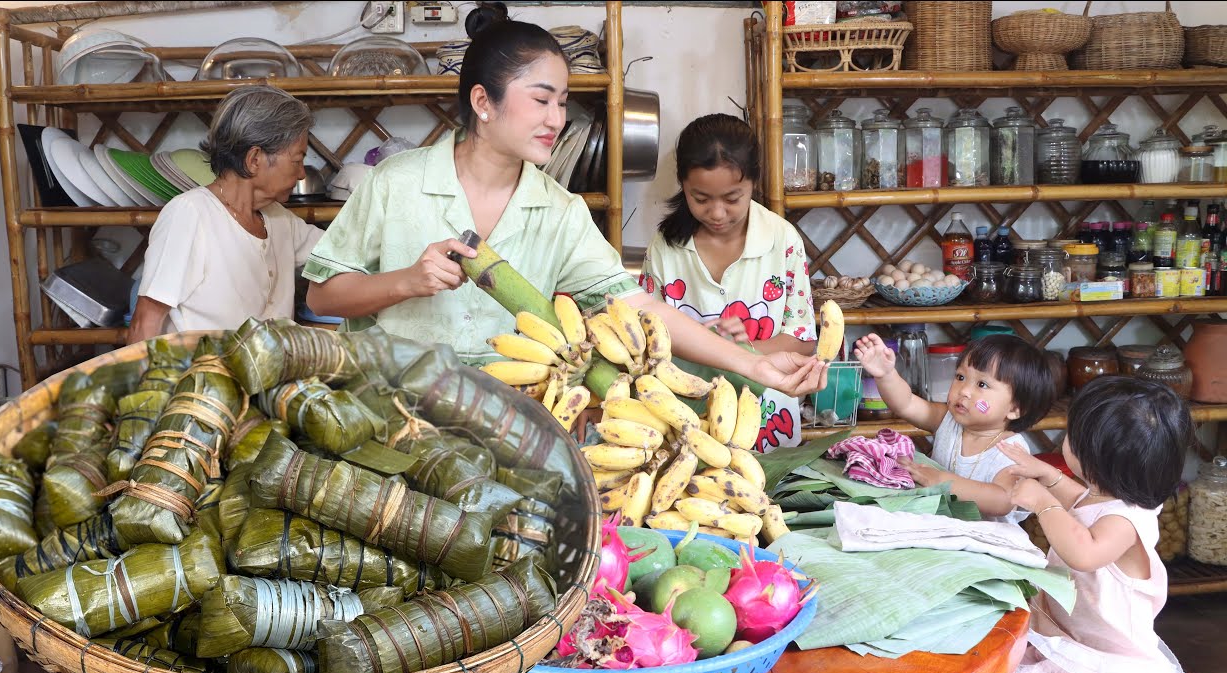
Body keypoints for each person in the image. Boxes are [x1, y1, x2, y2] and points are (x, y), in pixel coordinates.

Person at [305, 2, 828, 399]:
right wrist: (406, 282)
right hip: (390, 412)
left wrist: (751, 364)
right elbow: (322, 297)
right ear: (483, 101)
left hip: (514, 425)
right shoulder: (395, 183)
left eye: (562, 101)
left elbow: (638, 306)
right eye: (540, 100)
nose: (557, 118)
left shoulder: (560, 209)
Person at [995, 376, 1191, 673]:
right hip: (1073, 636)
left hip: (1104, 664)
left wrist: (1043, 503)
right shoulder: (1110, 494)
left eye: (1071, 437)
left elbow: (1083, 553)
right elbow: (1082, 504)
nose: (1064, 441)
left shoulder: (1126, 521)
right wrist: (1048, 476)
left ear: (1096, 460)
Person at [638, 113, 818, 452]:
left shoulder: (782, 240)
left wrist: (746, 350)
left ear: (753, 182)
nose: (717, 213)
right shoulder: (665, 246)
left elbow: (804, 340)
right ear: (682, 184)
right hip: (685, 422)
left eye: (732, 198)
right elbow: (646, 339)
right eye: (701, 199)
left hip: (768, 423)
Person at [127, 86, 323, 342]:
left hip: (269, 377)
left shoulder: (279, 218)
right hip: (203, 376)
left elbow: (338, 254)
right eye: (297, 160)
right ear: (254, 159)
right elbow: (146, 322)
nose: (301, 174)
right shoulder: (190, 214)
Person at [853, 333, 1055, 522]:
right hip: (938, 529)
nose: (964, 390)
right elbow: (905, 404)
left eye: (982, 385)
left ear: (1015, 409)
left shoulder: (1012, 451)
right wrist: (886, 375)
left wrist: (942, 480)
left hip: (988, 547)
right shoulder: (947, 420)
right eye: (960, 377)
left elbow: (1004, 500)